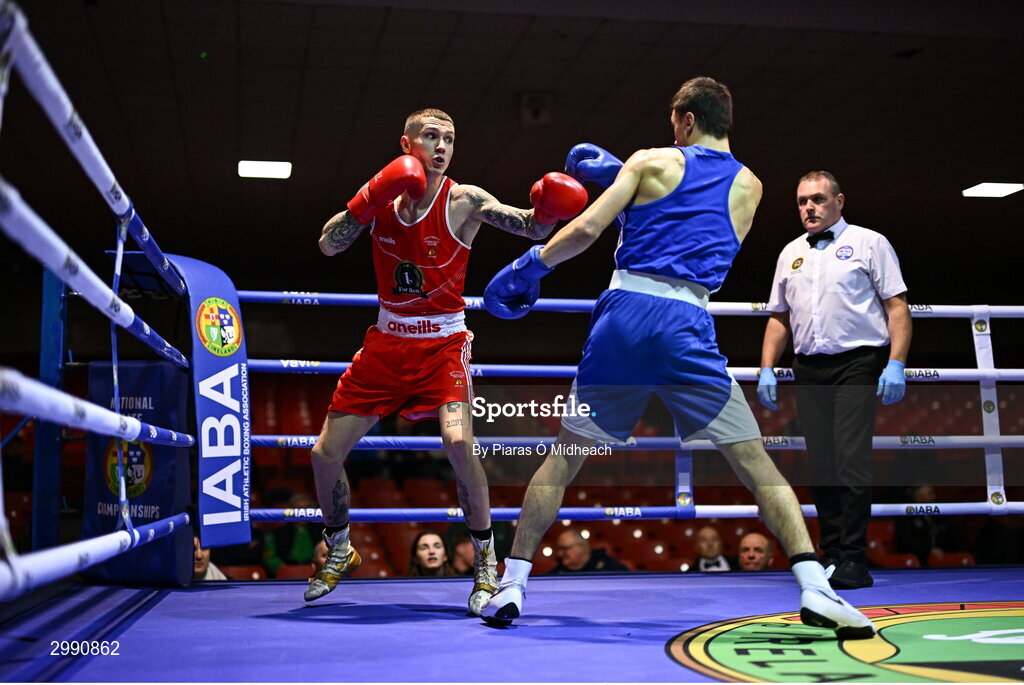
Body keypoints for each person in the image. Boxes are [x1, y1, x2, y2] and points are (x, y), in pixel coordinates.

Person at [479, 77, 875, 639]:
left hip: (625, 316)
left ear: (686, 120)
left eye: (674, 124)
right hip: (688, 322)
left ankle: (511, 585)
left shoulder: (649, 161)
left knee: (565, 457)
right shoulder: (753, 187)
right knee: (755, 462)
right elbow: (690, 227)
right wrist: (626, 174)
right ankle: (816, 588)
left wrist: (530, 266)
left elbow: (591, 226)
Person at [304, 108, 588, 616]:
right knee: (324, 454)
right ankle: (340, 546)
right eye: (430, 136)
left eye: (449, 139)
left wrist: (547, 212)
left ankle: (485, 562)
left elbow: (526, 228)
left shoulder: (464, 199)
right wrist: (371, 197)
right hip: (386, 344)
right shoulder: (383, 196)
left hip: (443, 346)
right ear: (406, 143)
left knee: (459, 442)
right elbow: (328, 244)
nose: (441, 146)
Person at [757, 170, 911, 590]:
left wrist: (896, 362)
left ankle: (855, 559)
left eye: (818, 199)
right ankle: (832, 555)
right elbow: (779, 317)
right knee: (821, 463)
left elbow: (897, 306)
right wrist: (767, 367)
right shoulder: (790, 252)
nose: (809, 207)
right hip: (809, 368)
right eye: (803, 200)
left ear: (839, 201)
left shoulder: (869, 242)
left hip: (858, 363)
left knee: (850, 459)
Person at [549, 529, 628, 573]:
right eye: (559, 549)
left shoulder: (608, 566)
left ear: (580, 547)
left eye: (564, 548)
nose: (559, 554)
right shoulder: (557, 573)